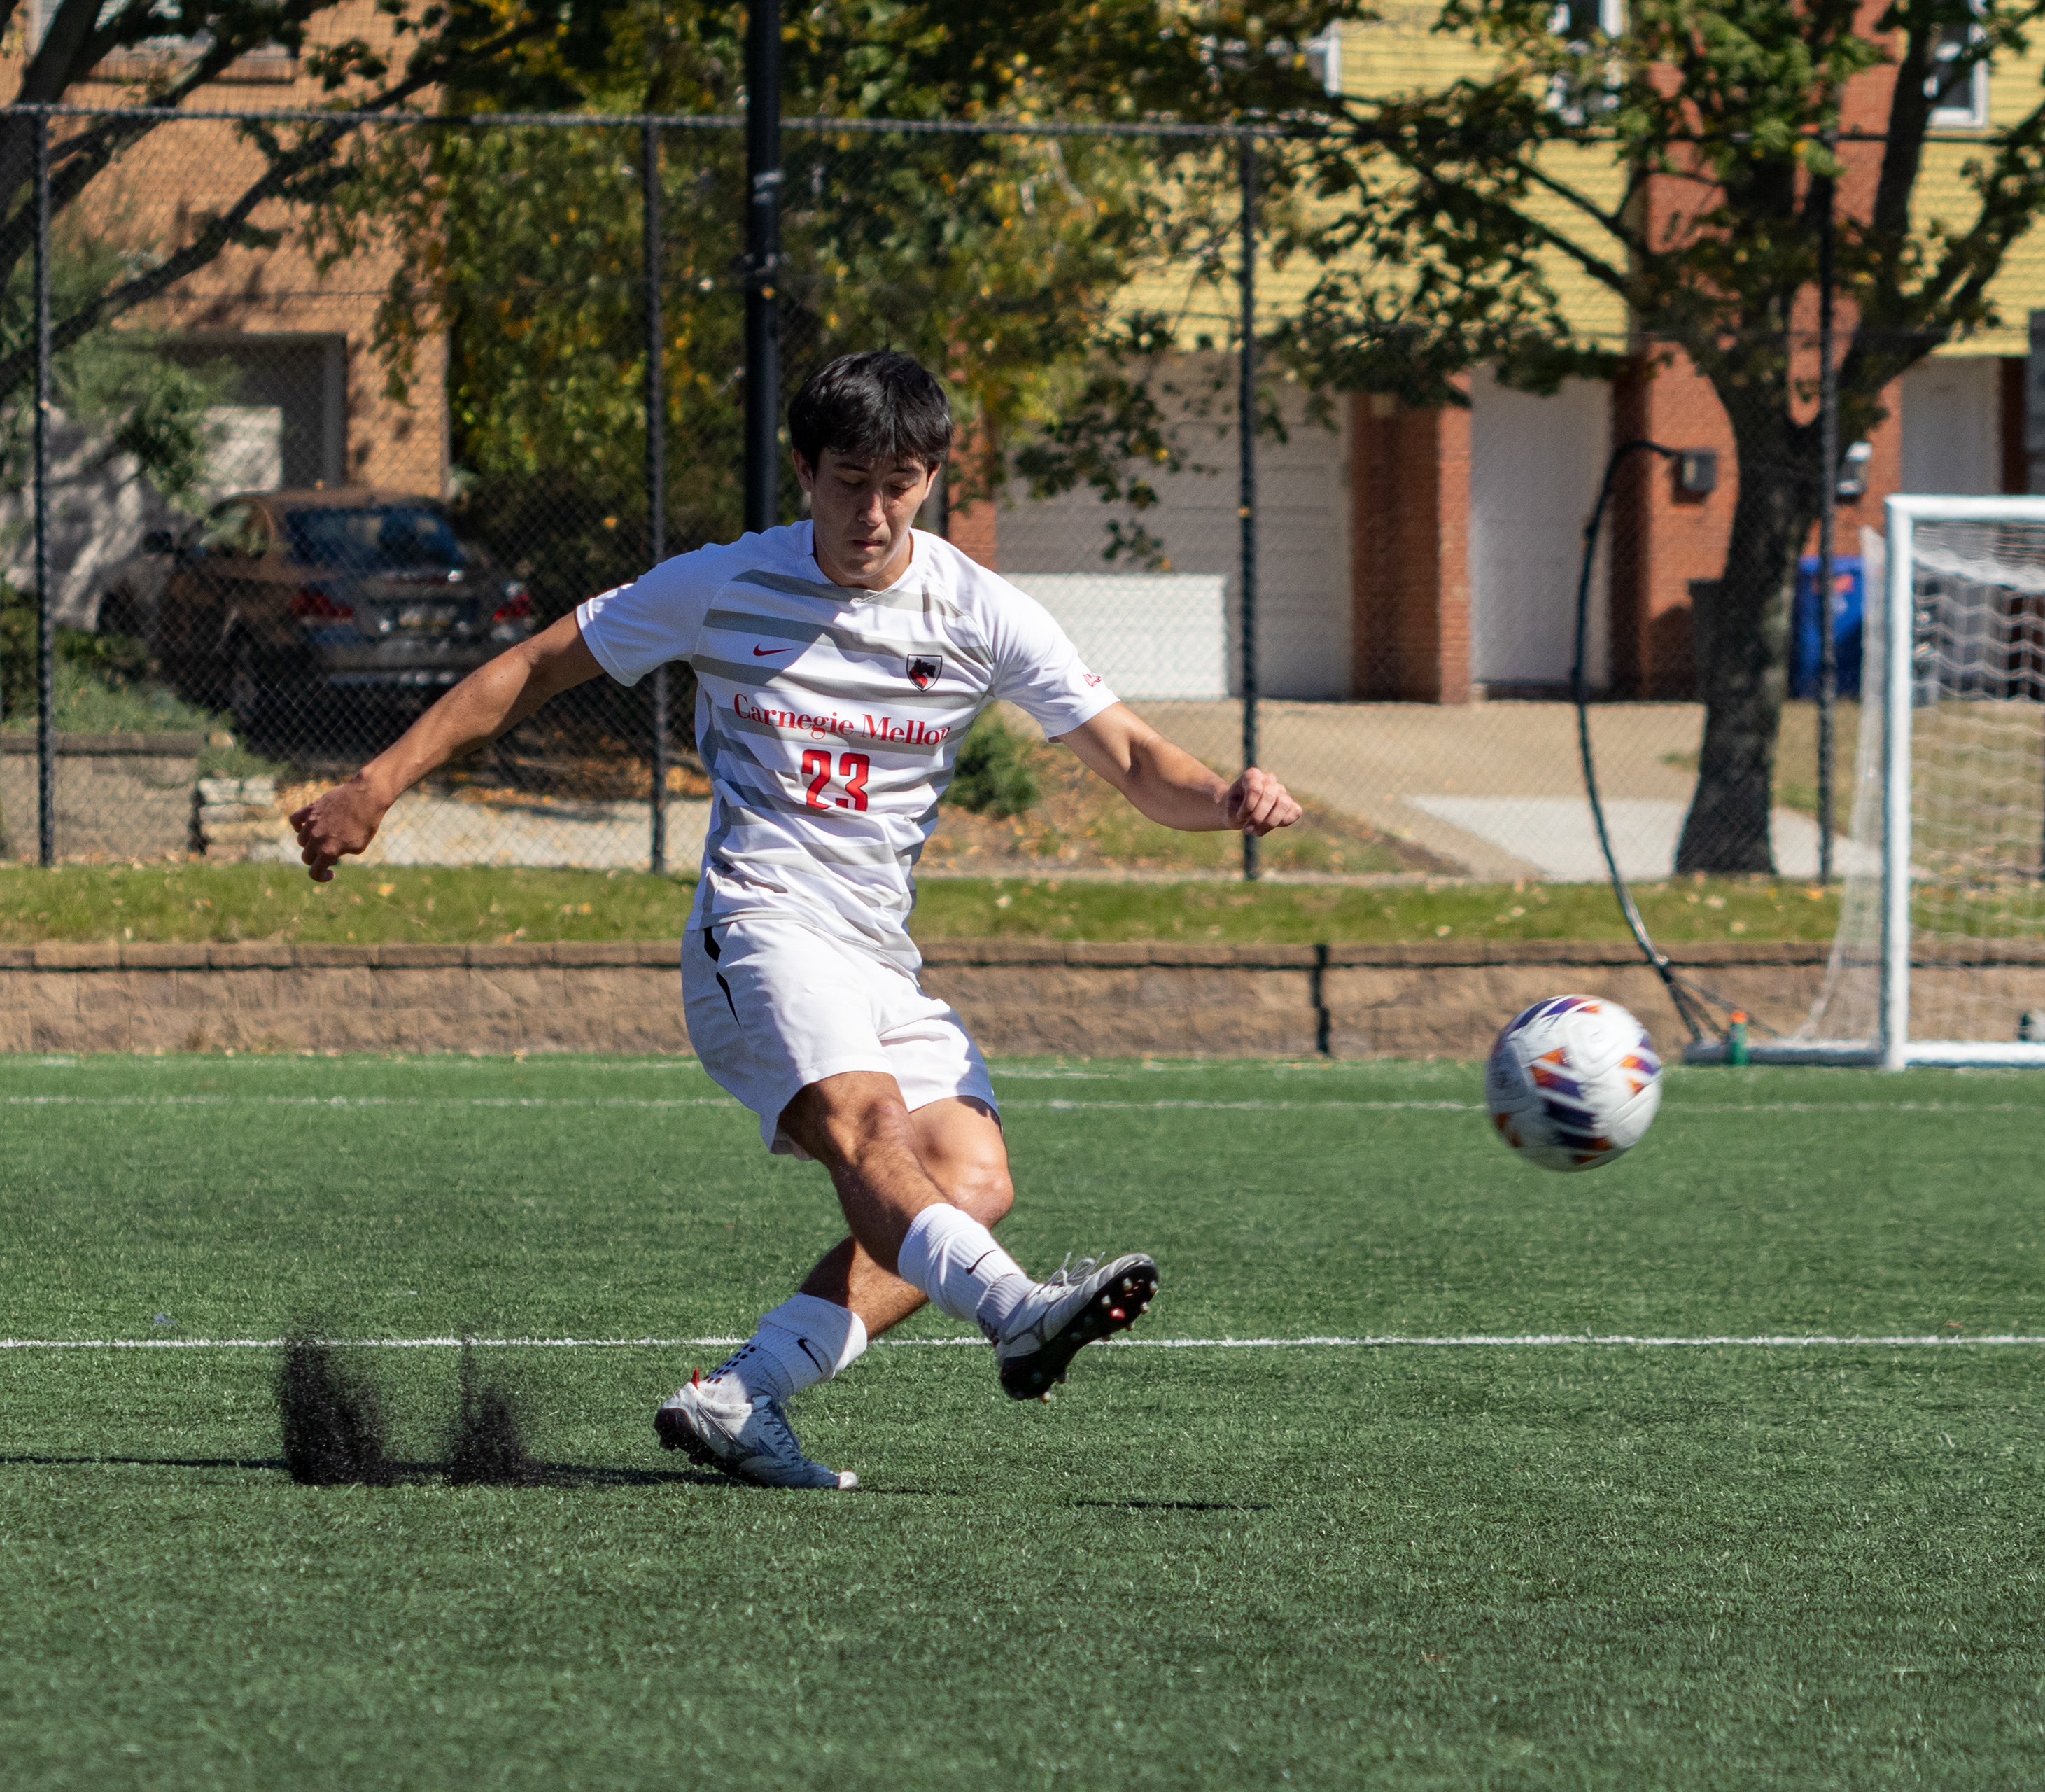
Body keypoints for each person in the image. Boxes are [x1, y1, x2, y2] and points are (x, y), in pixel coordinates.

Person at [290, 351, 1303, 1489]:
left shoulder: (980, 610)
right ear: (806, 471)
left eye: (900, 485)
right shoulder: (724, 583)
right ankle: (1017, 1312)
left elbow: (1132, 759)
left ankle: (739, 1396)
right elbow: (533, 668)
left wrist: (1224, 799)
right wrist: (375, 785)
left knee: (969, 1180)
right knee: (871, 1130)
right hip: (758, 923)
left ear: (932, 479)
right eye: (849, 483)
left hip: (877, 954)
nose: (873, 514)